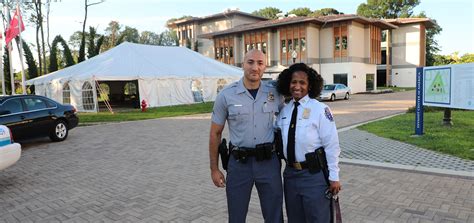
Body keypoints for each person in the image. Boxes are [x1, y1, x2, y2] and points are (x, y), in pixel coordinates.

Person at [208, 49, 283, 223]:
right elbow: (215, 133)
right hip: (238, 165)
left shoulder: (275, 93)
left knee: (274, 215)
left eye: (260, 63)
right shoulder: (226, 95)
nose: (255, 67)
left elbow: (288, 121)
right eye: (250, 62)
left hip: (268, 163)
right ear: (243, 64)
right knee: (236, 215)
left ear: (265, 66)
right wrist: (214, 169)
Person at [275, 63, 341, 223]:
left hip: (314, 176)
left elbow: (331, 145)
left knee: (317, 218)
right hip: (290, 175)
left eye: (302, 83)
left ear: (310, 86)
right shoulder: (284, 111)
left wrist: (334, 176)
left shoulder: (320, 109)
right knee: (295, 219)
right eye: (293, 82)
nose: (297, 86)